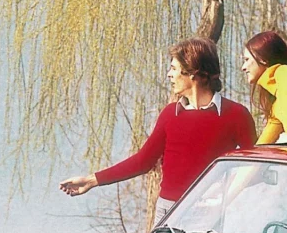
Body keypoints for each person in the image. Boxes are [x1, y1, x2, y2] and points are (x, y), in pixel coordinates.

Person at [60, 38, 257, 221]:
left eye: (174, 68)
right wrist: (91, 180)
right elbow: (143, 161)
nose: (169, 74)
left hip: (208, 214)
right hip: (166, 212)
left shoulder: (236, 115)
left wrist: (226, 198)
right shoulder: (170, 114)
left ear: (192, 73)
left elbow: (255, 166)